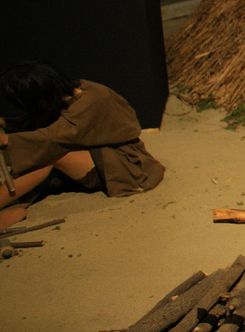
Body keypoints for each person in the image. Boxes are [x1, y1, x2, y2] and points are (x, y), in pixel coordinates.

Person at [0, 61, 165, 228]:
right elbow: (43, 127)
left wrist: (7, 140)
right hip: (92, 151)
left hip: (124, 162)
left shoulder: (91, 99)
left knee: (49, 155)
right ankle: (14, 202)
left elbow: (53, 136)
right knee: (42, 154)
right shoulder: (63, 92)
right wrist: (4, 122)